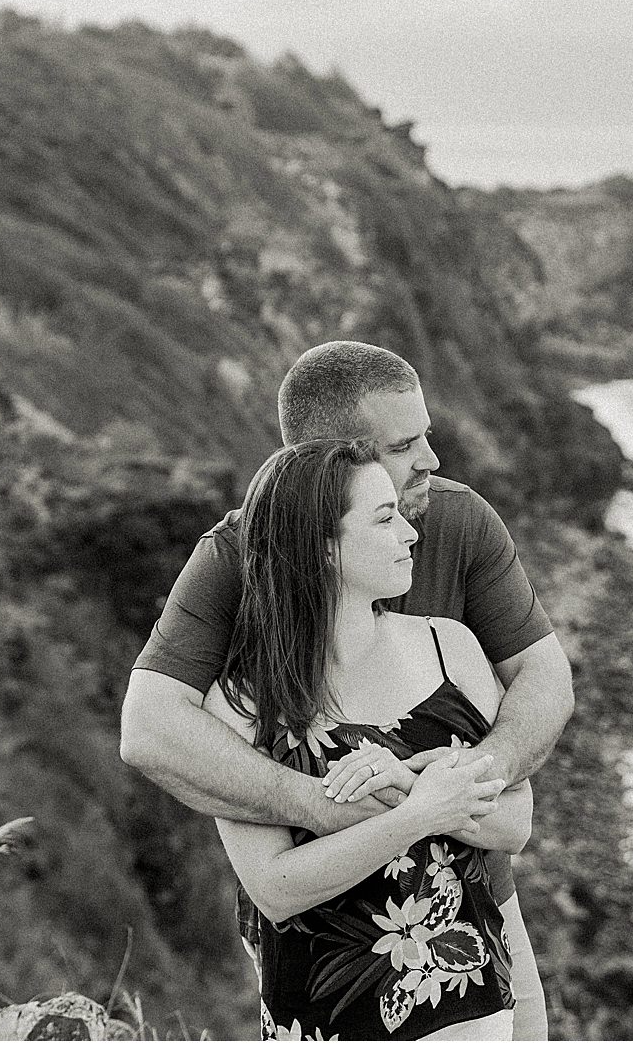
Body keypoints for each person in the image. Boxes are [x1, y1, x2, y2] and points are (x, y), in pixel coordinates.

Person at [120, 341, 572, 1038]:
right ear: (331, 464)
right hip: (319, 916)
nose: (431, 459)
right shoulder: (234, 556)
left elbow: (544, 679)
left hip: (471, 889)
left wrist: (465, 778)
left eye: (427, 433)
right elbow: (149, 729)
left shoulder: (458, 523)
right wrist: (329, 808)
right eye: (404, 444)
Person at [206, 438, 526, 1037]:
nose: (410, 534)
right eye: (384, 518)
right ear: (321, 548)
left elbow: (516, 821)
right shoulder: (242, 702)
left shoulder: (448, 646)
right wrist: (420, 814)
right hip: (331, 1023)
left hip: (471, 1012)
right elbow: (275, 888)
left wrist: (410, 783)